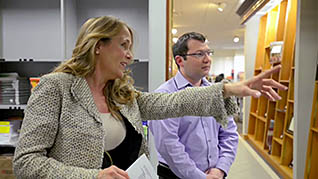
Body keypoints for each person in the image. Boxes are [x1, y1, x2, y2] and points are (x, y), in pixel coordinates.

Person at [12, 16, 286, 179]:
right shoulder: (55, 88)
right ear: (98, 46)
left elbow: (173, 102)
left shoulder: (121, 96)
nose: (130, 55)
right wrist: (92, 177)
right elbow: (26, 162)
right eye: (124, 46)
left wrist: (228, 89)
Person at [149, 32, 238, 179]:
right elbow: (169, 145)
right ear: (180, 60)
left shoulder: (216, 93)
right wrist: (200, 177)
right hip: (176, 176)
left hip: (215, 174)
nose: (207, 59)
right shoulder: (165, 96)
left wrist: (221, 169)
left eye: (208, 53)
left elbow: (229, 134)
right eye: (199, 54)